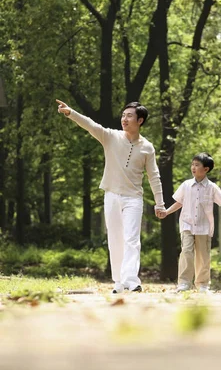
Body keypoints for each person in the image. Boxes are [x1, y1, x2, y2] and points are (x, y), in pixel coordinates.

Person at [56, 99, 166, 293]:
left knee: (132, 239)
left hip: (134, 198)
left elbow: (154, 176)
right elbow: (91, 124)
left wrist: (160, 203)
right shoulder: (111, 137)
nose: (124, 119)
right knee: (116, 239)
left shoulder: (147, 147)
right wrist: (70, 112)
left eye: (129, 115)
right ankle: (118, 281)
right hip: (112, 195)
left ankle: (131, 280)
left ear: (140, 120)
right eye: (123, 115)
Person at [160, 152, 221, 292]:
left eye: (197, 165)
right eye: (192, 164)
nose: (193, 167)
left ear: (206, 169)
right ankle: (184, 283)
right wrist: (166, 212)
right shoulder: (186, 185)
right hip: (187, 224)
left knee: (203, 256)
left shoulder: (212, 187)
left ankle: (202, 284)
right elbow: (179, 202)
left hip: (204, 226)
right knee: (186, 251)